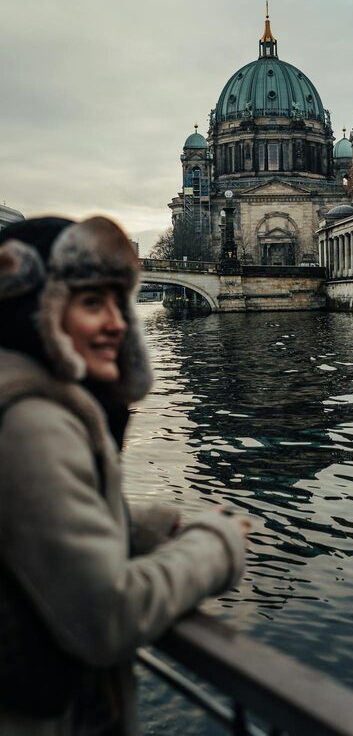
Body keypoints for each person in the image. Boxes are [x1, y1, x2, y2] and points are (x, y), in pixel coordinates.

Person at [0, 215, 248, 735]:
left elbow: (27, 532)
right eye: (93, 303)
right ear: (37, 314)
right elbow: (105, 617)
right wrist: (217, 546)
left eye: (119, 302)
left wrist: (133, 528)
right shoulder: (32, 423)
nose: (117, 321)